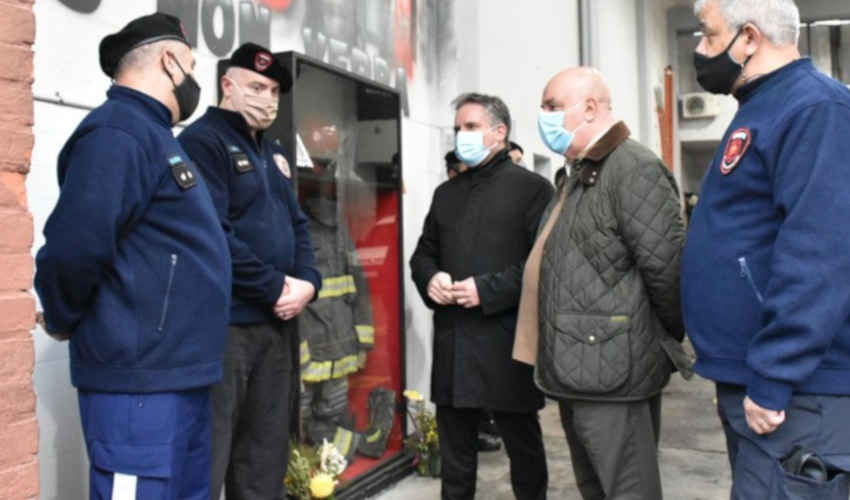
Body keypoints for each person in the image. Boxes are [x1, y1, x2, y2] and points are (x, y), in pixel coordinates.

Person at [34, 13, 231, 499]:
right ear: (169, 61)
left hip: (177, 376)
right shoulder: (118, 133)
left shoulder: (155, 136)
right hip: (140, 386)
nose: (192, 79)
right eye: (189, 63)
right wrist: (61, 314)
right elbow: (74, 246)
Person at [682, 1, 850, 497]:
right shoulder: (763, 108)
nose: (699, 48)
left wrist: (776, 372)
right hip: (757, 381)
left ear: (749, 38)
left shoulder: (816, 108)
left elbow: (821, 252)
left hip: (796, 394)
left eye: (708, 35)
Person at [515, 67, 687, 500]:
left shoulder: (632, 169)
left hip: (613, 370)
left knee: (628, 489)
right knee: (596, 488)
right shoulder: (579, 173)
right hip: (581, 366)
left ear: (590, 108)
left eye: (552, 107)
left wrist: (656, 341)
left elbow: (668, 274)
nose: (544, 117)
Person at [178, 43, 321, 500]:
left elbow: (299, 226)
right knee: (213, 455)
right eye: (257, 86)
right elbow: (213, 233)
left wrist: (309, 285)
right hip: (227, 330)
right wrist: (276, 286)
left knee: (265, 457)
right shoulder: (202, 142)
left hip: (277, 326)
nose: (268, 97)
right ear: (228, 84)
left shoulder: (274, 152)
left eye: (275, 89)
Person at [411, 93, 553, 500]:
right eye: (458, 128)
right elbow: (423, 253)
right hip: (454, 338)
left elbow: (541, 265)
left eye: (471, 127)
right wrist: (431, 277)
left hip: (506, 341)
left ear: (499, 132)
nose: (462, 135)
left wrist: (485, 290)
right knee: (456, 455)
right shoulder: (446, 194)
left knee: (522, 448)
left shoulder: (533, 190)